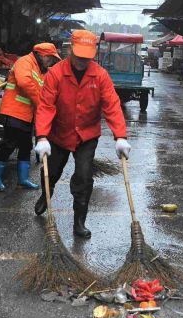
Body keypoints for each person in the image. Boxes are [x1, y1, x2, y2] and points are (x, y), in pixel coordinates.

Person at [33, 30, 130, 238]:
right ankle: (45, 194)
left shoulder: (100, 75)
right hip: (59, 133)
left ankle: (79, 221)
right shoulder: (56, 73)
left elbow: (112, 105)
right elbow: (46, 106)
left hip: (86, 135)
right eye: (79, 56)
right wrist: (42, 137)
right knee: (52, 171)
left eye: (87, 57)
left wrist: (120, 136)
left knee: (84, 177)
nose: (82, 61)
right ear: (70, 50)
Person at [0, 43, 61, 192]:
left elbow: (44, 90)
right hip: (13, 112)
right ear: (42, 55)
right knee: (8, 145)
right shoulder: (24, 62)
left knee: (26, 146)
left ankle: (23, 180)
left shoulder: (40, 69)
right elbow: (25, 83)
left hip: (27, 115)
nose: (51, 63)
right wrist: (41, 103)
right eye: (50, 59)